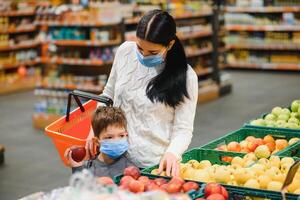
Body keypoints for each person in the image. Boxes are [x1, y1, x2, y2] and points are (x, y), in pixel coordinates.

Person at [87, 9, 198, 177]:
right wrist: (93, 130)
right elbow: (107, 94)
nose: (144, 56)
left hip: (153, 166)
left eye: (152, 52)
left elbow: (183, 129)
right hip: (113, 158)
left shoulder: (186, 77)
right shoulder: (125, 52)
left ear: (170, 44)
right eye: (140, 48)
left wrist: (173, 153)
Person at [65, 106, 136, 178]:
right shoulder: (88, 168)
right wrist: (77, 168)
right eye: (109, 137)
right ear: (96, 141)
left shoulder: (130, 169)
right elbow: (80, 187)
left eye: (121, 135)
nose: (117, 140)